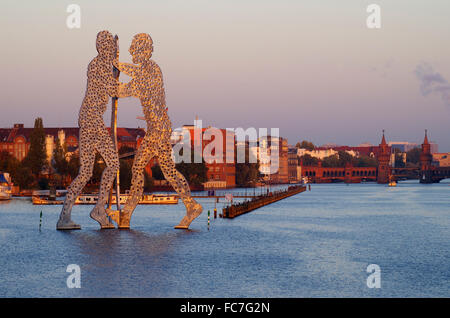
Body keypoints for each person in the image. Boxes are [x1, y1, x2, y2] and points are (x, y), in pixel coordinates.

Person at [114, 33, 202, 229]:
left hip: (158, 130)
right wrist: (117, 69)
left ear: (144, 51)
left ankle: (126, 215)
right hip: (159, 128)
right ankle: (192, 206)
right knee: (169, 172)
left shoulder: (151, 70)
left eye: (134, 48)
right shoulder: (146, 71)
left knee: (138, 168)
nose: (130, 51)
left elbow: (127, 88)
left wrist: (116, 66)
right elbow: (129, 83)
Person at [56, 31, 121, 230]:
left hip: (90, 121)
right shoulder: (98, 65)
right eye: (110, 48)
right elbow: (113, 90)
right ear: (103, 48)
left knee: (86, 172)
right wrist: (132, 85)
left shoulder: (100, 64)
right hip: (92, 121)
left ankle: (65, 216)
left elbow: (111, 85)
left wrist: (116, 73)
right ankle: (98, 209)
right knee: (113, 164)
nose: (111, 51)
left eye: (113, 48)